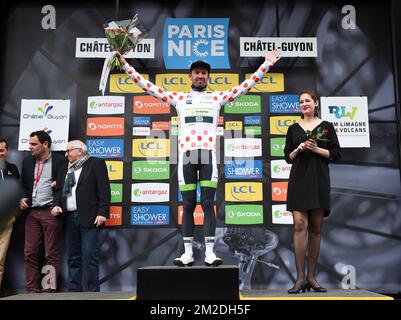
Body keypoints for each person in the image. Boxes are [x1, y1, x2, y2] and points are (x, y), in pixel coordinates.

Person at [116, 49, 281, 267]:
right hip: (186, 157)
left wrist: (266, 64)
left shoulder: (216, 98)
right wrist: (125, 65)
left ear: (208, 77)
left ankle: (210, 253)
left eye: (204, 73)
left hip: (208, 157)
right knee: (187, 204)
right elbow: (148, 86)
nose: (200, 76)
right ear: (190, 76)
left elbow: (246, 86)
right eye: (196, 72)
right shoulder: (179, 98)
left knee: (208, 204)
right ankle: (187, 253)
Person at [284, 89, 341, 293]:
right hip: (299, 181)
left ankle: (312, 277)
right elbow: (287, 157)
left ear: (316, 103)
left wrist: (317, 149)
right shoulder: (293, 128)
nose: (304, 104)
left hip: (319, 181)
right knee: (300, 224)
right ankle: (299, 278)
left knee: (316, 228)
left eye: (307, 100)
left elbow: (336, 153)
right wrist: (298, 149)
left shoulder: (327, 126)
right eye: (301, 101)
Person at [52, 140, 110, 292]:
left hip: (90, 217)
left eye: (69, 151)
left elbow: (104, 190)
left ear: (80, 151)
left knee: (90, 256)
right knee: (73, 258)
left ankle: (93, 293)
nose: (66, 154)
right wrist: (56, 205)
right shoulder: (64, 167)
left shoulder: (95, 163)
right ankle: (74, 292)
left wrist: (103, 212)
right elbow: (58, 190)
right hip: (69, 218)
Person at [20, 130, 67, 293]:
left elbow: (64, 187)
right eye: (29, 143)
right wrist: (22, 198)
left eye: (33, 144)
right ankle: (31, 290)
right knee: (29, 252)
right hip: (32, 213)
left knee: (50, 253)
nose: (29, 147)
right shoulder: (27, 162)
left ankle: (49, 290)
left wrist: (58, 204)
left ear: (45, 144)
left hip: (50, 212)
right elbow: (24, 186)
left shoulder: (60, 161)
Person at [0, 138, 20, 289]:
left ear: (7, 151)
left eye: (2, 151)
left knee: (0, 259)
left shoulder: (12, 168)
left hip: (6, 220)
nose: (0, 154)